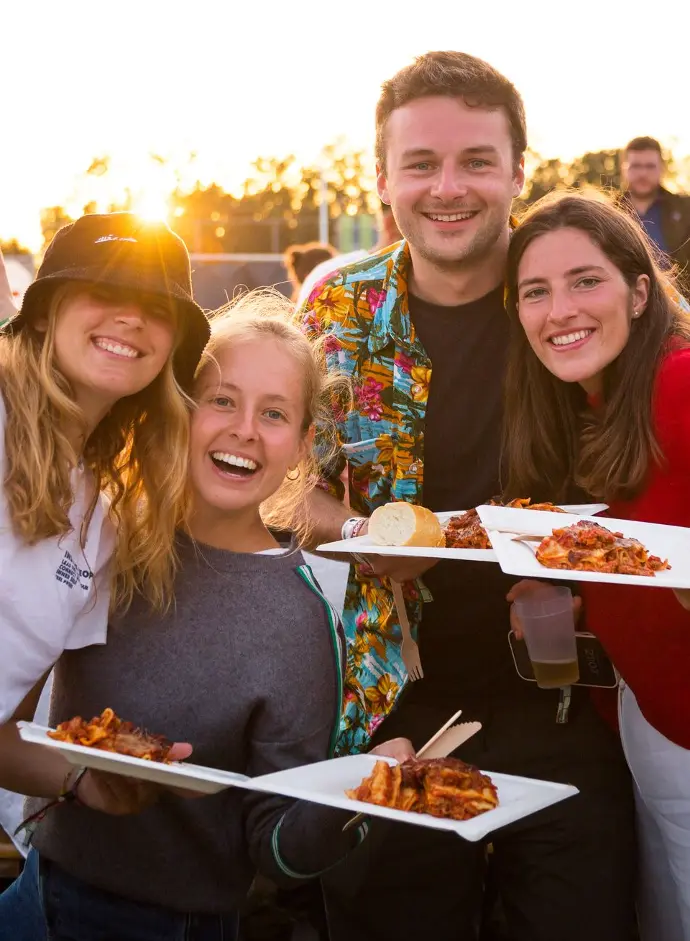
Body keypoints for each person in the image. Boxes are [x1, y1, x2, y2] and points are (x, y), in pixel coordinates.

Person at [298, 51, 637, 941]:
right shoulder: (337, 310)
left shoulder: (569, 291)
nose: (449, 188)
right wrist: (358, 527)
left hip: (568, 697)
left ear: (519, 171)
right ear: (381, 178)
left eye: (477, 161)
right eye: (421, 163)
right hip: (389, 701)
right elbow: (278, 488)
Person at [0, 290, 410, 941]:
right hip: (35, 896)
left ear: (303, 444)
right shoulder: (102, 540)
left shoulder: (299, 620)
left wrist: (357, 798)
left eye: (273, 413)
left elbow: (277, 850)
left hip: (175, 926)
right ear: (181, 407)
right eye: (221, 399)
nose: (245, 427)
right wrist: (82, 778)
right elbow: (6, 736)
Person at [0, 211, 210, 937]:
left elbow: (5, 731)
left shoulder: (105, 510)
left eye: (158, 308)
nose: (131, 318)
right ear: (47, 307)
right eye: (102, 289)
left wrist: (88, 778)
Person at [503, 191, 690, 941]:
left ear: (639, 291)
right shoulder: (603, 406)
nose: (560, 311)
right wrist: (587, 598)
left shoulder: (676, 382)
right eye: (535, 291)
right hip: (650, 722)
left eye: (586, 281)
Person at [619, 136, 690, 275]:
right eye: (636, 166)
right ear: (624, 169)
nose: (643, 173)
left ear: (662, 168)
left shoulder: (686, 209)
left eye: (650, 166)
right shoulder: (608, 212)